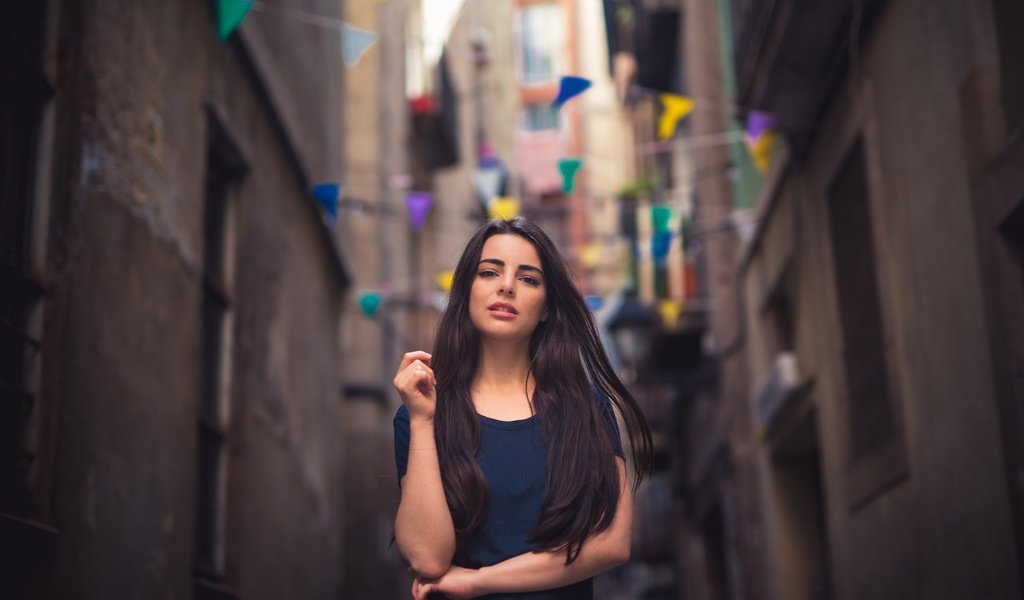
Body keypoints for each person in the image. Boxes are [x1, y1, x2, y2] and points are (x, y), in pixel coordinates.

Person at [393, 217, 652, 599]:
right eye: (489, 272)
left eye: (528, 279)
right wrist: (421, 420)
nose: (507, 286)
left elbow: (612, 543)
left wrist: (479, 580)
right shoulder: (422, 413)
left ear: (546, 308)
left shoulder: (586, 407)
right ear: (465, 292)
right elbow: (429, 560)